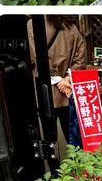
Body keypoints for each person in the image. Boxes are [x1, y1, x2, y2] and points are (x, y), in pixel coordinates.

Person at [29, 15, 88, 145]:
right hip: (66, 90)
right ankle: (76, 158)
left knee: (49, 137)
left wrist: (56, 78)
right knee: (73, 135)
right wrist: (67, 78)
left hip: (44, 90)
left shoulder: (32, 26)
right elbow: (80, 59)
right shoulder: (71, 27)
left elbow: (34, 58)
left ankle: (53, 158)